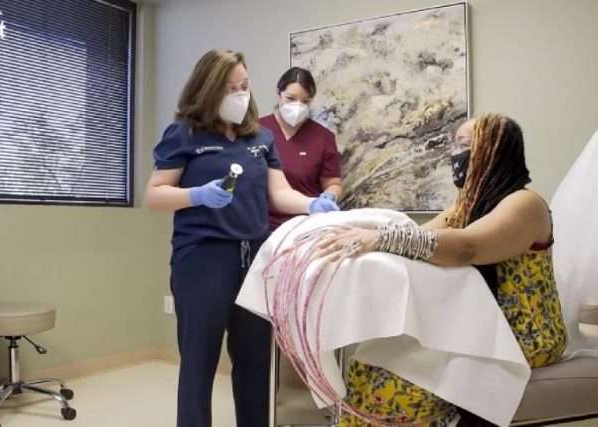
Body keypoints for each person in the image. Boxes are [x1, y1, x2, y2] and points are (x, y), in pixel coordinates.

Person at [318, 113, 567, 426]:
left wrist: (383, 238)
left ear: (496, 150)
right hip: (478, 323)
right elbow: (421, 238)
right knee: (370, 362)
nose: (457, 156)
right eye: (455, 146)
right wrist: (361, 237)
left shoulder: (525, 204)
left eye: (466, 145)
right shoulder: (469, 203)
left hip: (523, 334)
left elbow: (465, 248)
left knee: (398, 385)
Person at [145, 49, 339, 427]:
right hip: (203, 258)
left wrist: (313, 204)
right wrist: (196, 194)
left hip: (256, 259)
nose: (239, 94)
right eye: (230, 88)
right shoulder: (184, 133)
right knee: (199, 362)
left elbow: (279, 194)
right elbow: (154, 194)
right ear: (209, 90)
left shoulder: (261, 138)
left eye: (245, 86)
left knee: (254, 364)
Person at [260, 67, 343, 230]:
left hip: (306, 226)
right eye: (291, 98)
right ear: (279, 94)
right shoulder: (257, 131)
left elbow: (333, 183)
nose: (297, 106)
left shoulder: (323, 137)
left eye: (305, 101)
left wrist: (329, 196)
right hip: (263, 226)